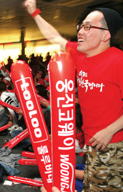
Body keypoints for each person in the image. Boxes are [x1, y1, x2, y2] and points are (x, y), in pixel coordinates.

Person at [24, 0, 123, 191]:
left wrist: (110, 130)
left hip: (114, 145)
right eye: (80, 26)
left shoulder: (118, 60)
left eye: (88, 27)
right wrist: (34, 12)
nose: (80, 31)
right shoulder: (80, 54)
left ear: (106, 35)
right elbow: (55, 38)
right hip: (91, 141)